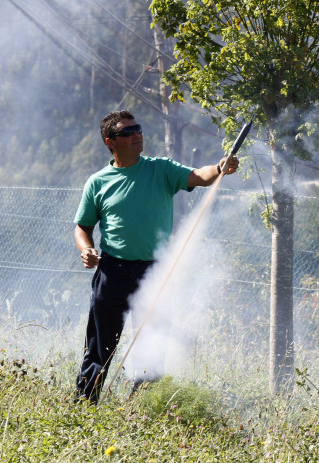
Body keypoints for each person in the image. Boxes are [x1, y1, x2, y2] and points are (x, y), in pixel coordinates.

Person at [74, 110, 238, 403]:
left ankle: (141, 410)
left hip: (155, 273)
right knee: (100, 346)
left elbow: (199, 176)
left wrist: (219, 167)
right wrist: (86, 249)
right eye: (128, 132)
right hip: (112, 272)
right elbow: (82, 228)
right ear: (111, 142)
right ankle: (84, 405)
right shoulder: (97, 182)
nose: (137, 134)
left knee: (152, 345)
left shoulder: (161, 169)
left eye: (138, 128)